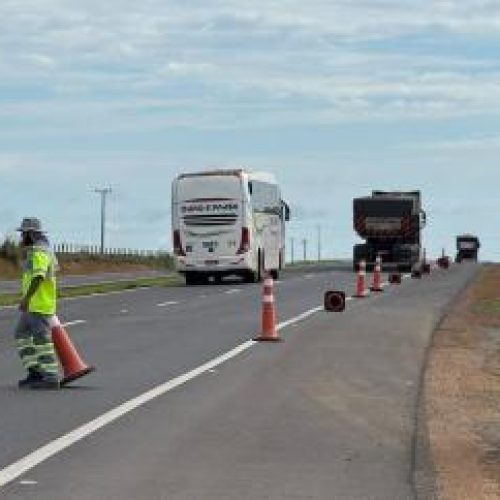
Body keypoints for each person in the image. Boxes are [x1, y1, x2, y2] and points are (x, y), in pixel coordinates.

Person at [14, 217, 60, 389]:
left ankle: (50, 377)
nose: (21, 237)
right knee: (21, 334)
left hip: (38, 304)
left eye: (23, 233)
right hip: (33, 305)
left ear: (31, 234)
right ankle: (36, 372)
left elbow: (39, 276)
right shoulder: (35, 250)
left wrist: (26, 298)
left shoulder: (40, 251)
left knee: (42, 340)